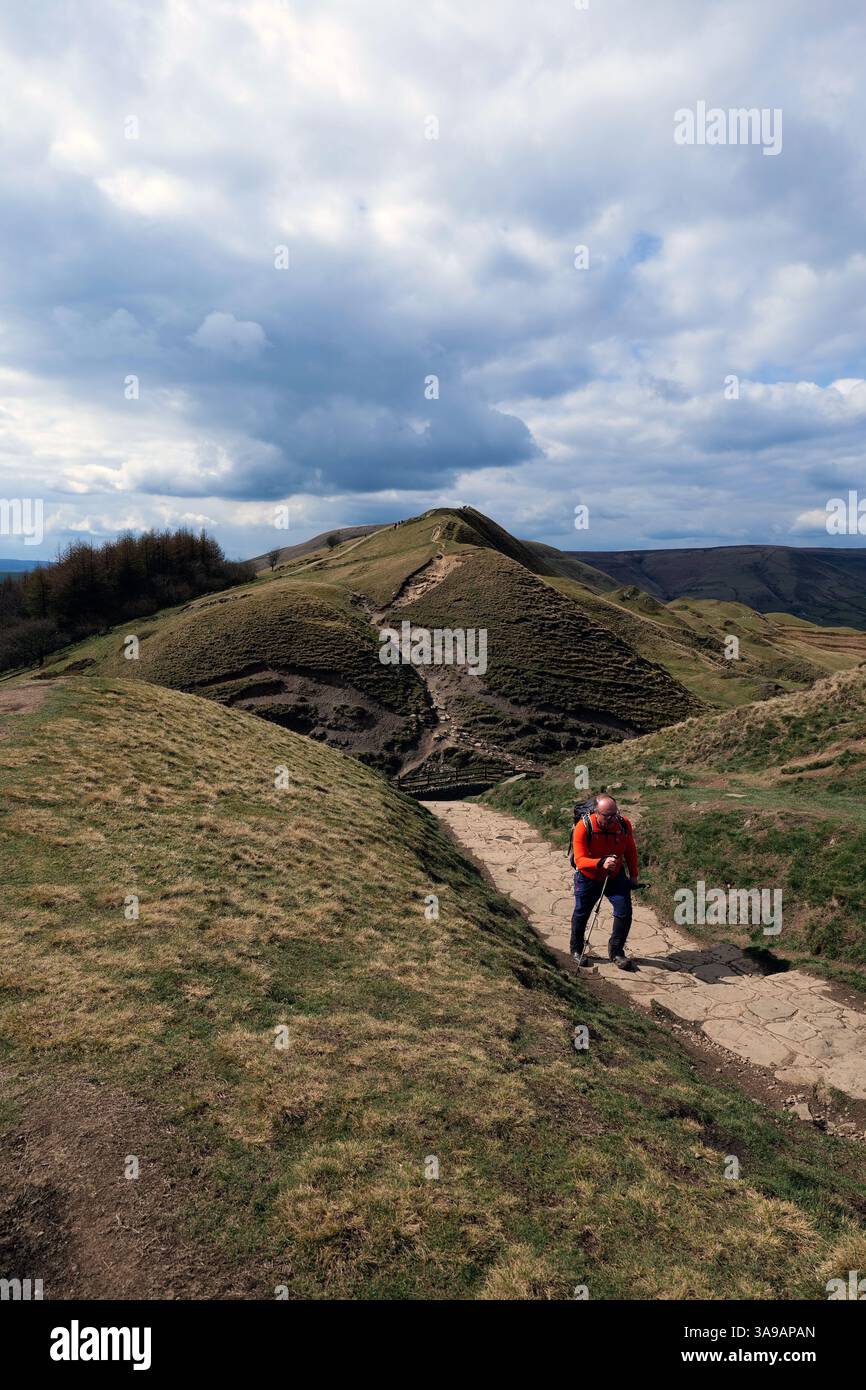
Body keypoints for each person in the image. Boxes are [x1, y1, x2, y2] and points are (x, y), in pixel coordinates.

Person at [570, 794, 639, 970]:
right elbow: (579, 860)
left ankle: (616, 951)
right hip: (588, 877)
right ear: (596, 812)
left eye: (614, 814)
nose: (611, 819)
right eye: (606, 815)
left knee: (624, 912)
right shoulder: (583, 827)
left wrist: (633, 875)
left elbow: (630, 849)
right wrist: (600, 862)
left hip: (615, 876)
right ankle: (576, 950)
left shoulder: (623, 824)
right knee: (581, 913)